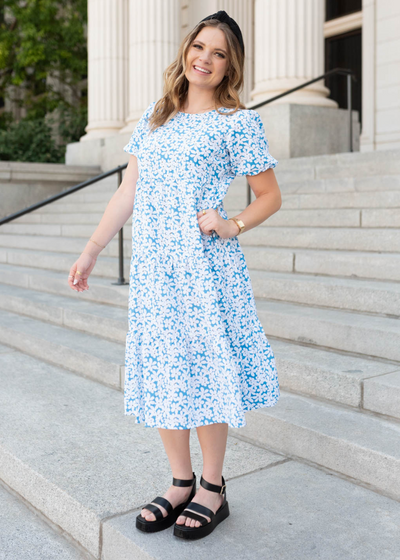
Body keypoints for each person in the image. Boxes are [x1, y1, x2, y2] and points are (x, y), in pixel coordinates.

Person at [68, 10, 282, 541]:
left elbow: (270, 195)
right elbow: (128, 190)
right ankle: (180, 482)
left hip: (205, 266)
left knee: (205, 368)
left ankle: (213, 486)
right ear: (187, 48)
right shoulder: (157, 115)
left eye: (219, 53)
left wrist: (231, 223)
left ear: (230, 66)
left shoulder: (237, 121)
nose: (204, 59)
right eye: (200, 47)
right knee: (167, 368)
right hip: (155, 269)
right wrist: (94, 248)